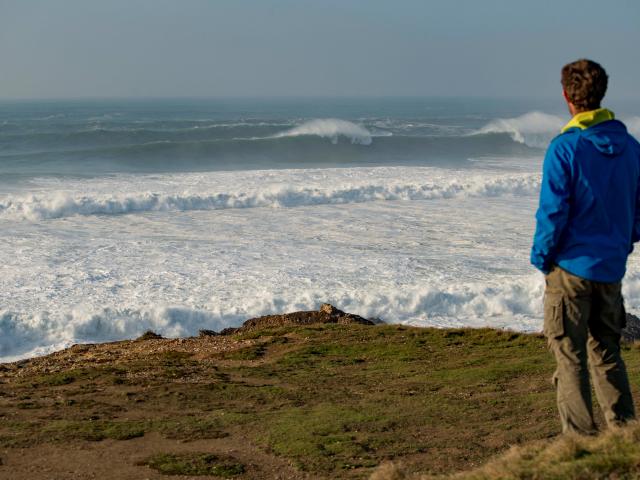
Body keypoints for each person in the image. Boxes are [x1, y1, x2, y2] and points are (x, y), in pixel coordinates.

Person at [531, 59, 640, 435]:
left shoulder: (565, 147)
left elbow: (553, 212)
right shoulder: (630, 146)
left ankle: (579, 442)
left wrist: (542, 259)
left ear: (567, 96)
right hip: (610, 267)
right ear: (601, 93)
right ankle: (625, 434)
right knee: (608, 353)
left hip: (570, 268)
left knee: (569, 356)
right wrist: (623, 243)